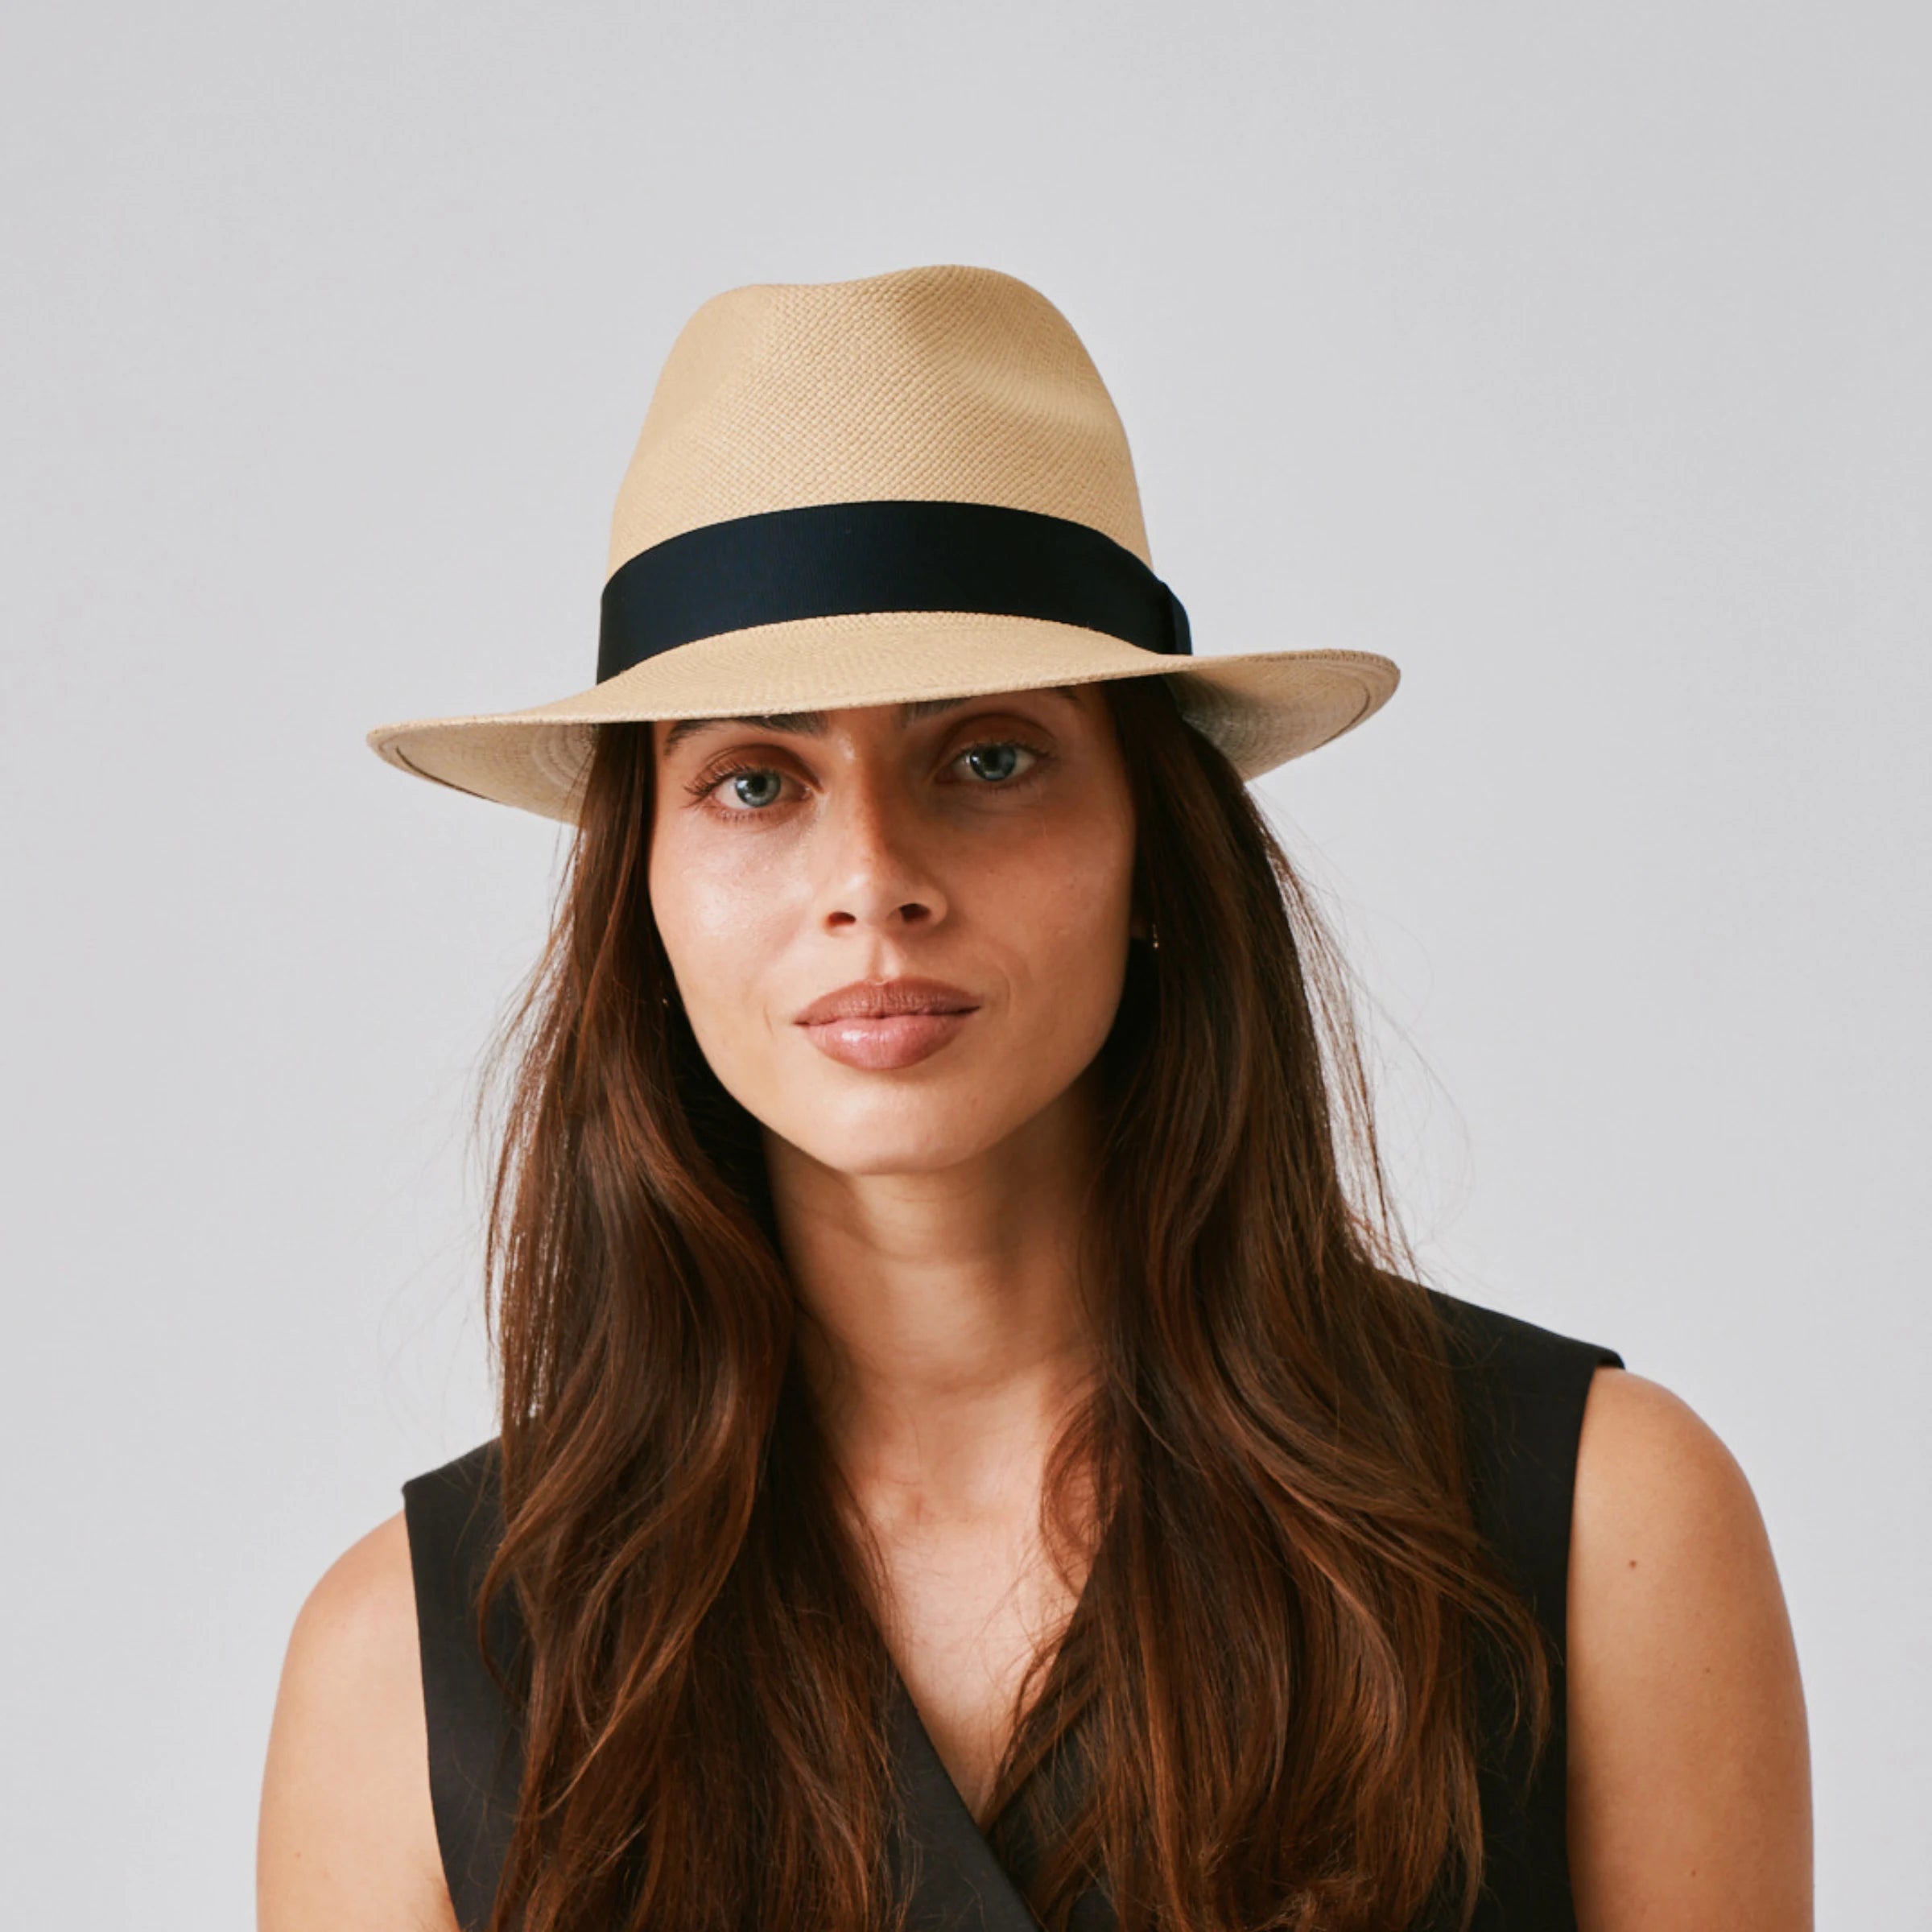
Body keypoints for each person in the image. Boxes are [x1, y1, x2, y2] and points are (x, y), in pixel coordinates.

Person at [257, 264, 1811, 1932]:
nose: (872, 878)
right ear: (643, 881)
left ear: (1151, 838)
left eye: (987, 755)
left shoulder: (1598, 1533)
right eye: (755, 781)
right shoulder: (410, 1681)